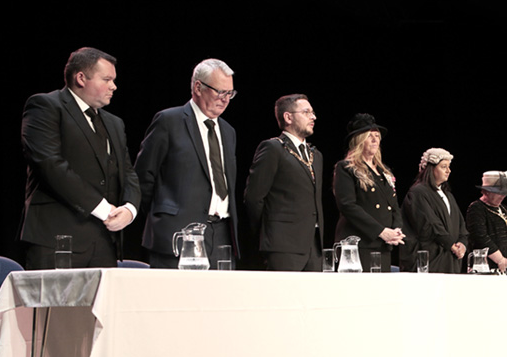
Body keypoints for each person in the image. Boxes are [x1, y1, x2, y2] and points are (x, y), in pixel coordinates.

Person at [19, 47, 141, 269]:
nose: (114, 86)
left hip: (104, 242)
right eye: (107, 79)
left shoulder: (114, 123)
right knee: (56, 305)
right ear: (81, 78)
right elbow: (50, 165)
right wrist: (103, 209)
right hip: (57, 239)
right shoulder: (46, 106)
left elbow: (127, 171)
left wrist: (129, 209)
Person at [134, 59, 240, 269]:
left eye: (230, 93)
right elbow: (142, 177)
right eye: (220, 91)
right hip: (177, 234)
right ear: (198, 87)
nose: (225, 99)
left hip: (221, 236)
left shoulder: (228, 131)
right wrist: (166, 218)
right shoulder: (169, 121)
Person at [243, 94, 323, 271]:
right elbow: (254, 198)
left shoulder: (315, 156)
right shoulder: (273, 148)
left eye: (313, 112)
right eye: (306, 112)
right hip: (283, 245)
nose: (313, 117)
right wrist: (268, 231)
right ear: (288, 117)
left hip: (313, 245)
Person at [333, 114, 405, 272]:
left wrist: (396, 229)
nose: (375, 140)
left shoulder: (384, 172)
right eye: (369, 136)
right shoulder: (346, 168)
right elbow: (347, 205)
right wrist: (380, 231)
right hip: (360, 246)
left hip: (383, 245)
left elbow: (394, 205)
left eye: (377, 136)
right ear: (359, 140)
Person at [400, 148, 467, 273]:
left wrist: (462, 244)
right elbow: (429, 224)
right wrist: (452, 245)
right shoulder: (418, 192)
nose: (448, 171)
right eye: (443, 167)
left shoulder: (448, 195)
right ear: (431, 169)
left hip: (450, 259)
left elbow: (461, 225)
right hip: (430, 259)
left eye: (449, 166)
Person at [465, 170, 507, 274]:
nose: (503, 196)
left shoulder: (504, 209)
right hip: (486, 268)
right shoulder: (477, 208)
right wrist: (500, 260)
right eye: (499, 193)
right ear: (486, 191)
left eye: (504, 193)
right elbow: (480, 237)